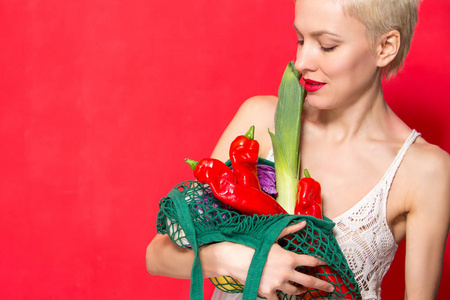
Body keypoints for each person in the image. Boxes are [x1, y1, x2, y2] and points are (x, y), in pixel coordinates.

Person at [146, 0, 450, 299]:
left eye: (327, 45)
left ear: (385, 47)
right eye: (301, 40)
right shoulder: (261, 121)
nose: (303, 62)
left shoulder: (424, 171)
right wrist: (239, 262)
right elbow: (158, 255)